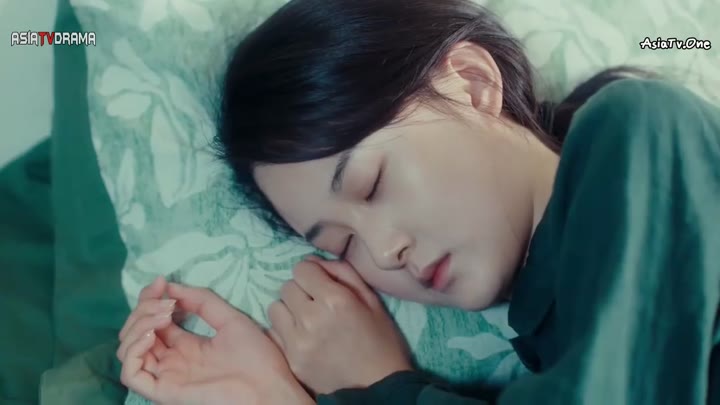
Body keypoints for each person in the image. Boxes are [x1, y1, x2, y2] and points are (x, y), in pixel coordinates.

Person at [116, 0, 720, 403]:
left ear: (473, 84)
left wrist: (383, 385)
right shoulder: (551, 327)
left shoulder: (639, 128)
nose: (384, 252)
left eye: (372, 183)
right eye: (342, 244)